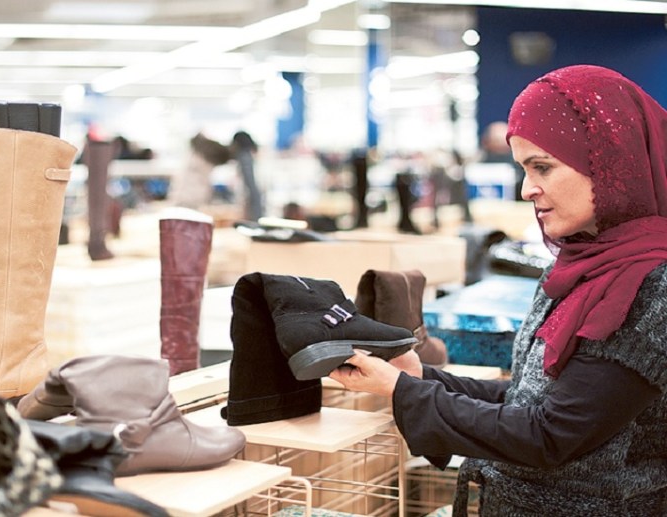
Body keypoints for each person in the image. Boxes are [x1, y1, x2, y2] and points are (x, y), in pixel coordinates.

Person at [329, 64, 667, 516]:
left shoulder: (649, 287)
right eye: (523, 169)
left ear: (608, 162)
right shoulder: (582, 266)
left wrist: (402, 390)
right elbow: (530, 399)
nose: (527, 189)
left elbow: (549, 435)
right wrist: (421, 377)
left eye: (542, 167)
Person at [230, 130, 264, 221]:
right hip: (254, 198)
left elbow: (250, 183)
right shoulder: (248, 155)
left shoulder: (244, 156)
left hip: (252, 200)